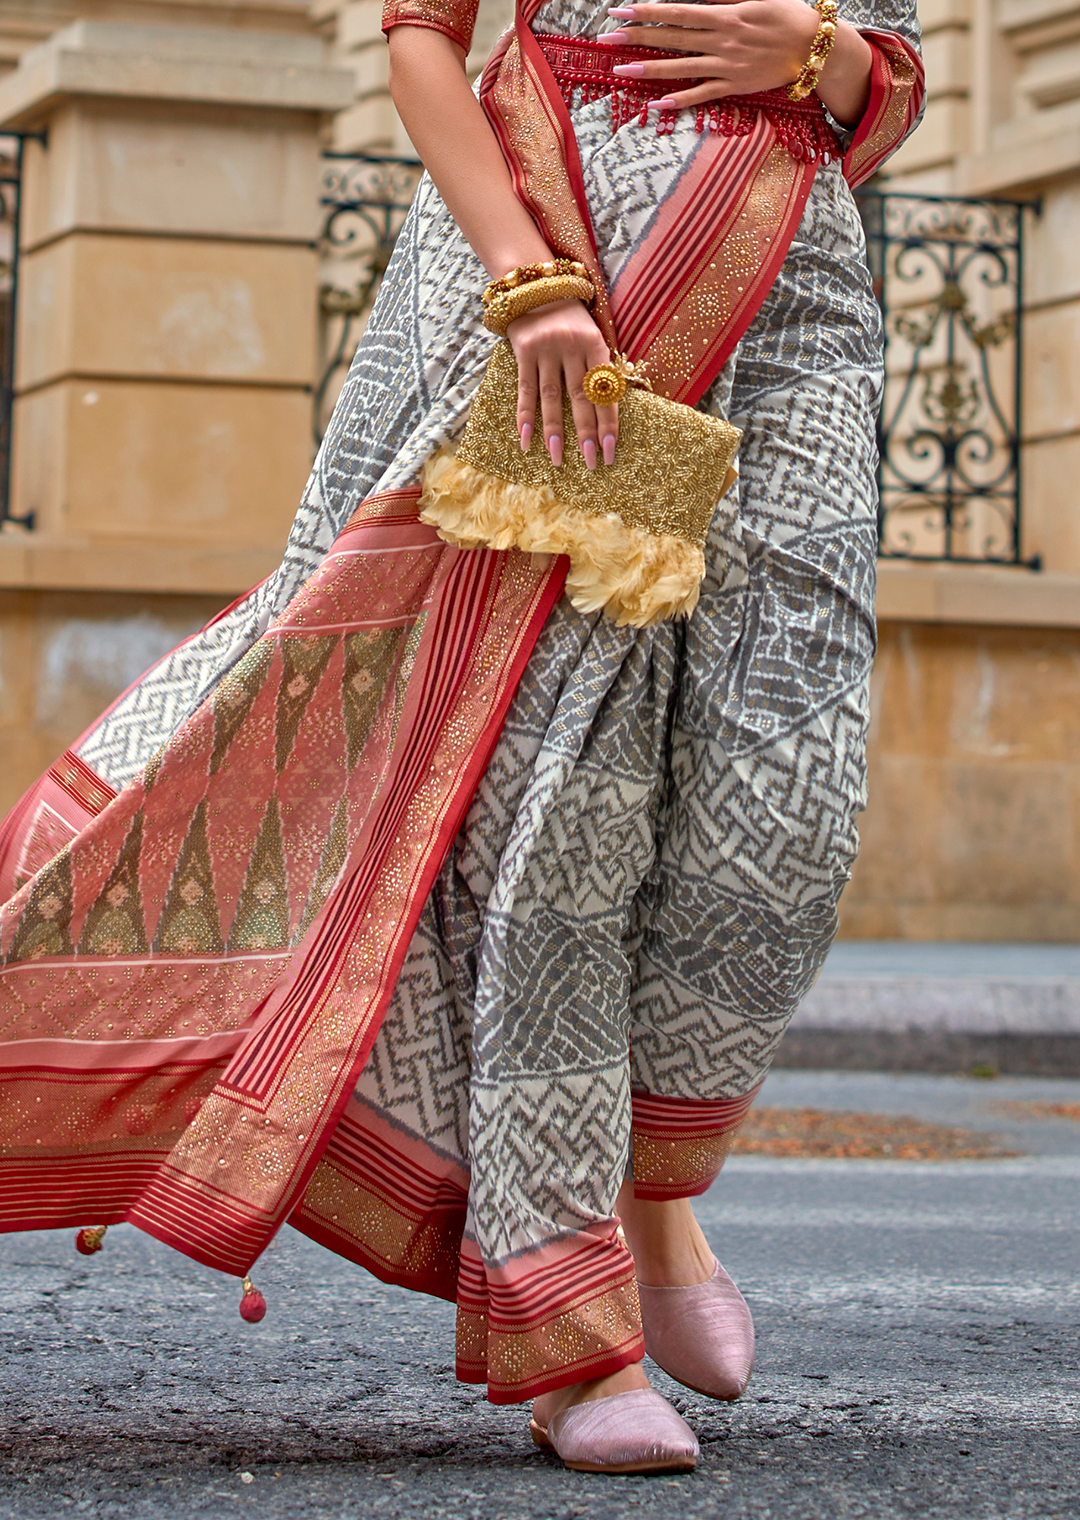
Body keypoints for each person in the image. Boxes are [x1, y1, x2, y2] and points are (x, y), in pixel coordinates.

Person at [0, 0, 922, 1477]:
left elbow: (894, 81)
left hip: (790, 292)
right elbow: (421, 32)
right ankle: (574, 1326)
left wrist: (821, 62)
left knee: (786, 815)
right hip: (552, 285)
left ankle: (656, 1191)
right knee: (563, 801)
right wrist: (533, 283)